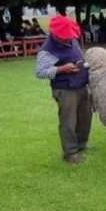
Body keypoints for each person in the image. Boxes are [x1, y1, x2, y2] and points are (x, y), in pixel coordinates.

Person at [35, 15, 92, 164]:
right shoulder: (47, 51)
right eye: (65, 37)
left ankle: (82, 144)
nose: (69, 40)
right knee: (69, 121)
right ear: (56, 34)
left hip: (81, 84)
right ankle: (70, 153)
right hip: (65, 89)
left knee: (85, 117)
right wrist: (62, 69)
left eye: (70, 37)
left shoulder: (71, 40)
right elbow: (40, 72)